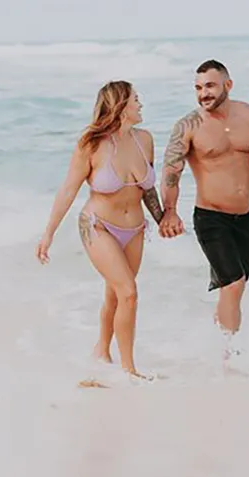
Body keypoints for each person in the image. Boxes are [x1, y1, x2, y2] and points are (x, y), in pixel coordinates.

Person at [158, 59, 249, 345]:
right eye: (198, 88)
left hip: (247, 218)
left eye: (210, 85)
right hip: (211, 217)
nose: (203, 93)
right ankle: (229, 357)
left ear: (228, 84)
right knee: (233, 284)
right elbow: (171, 170)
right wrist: (170, 212)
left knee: (234, 288)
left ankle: (216, 343)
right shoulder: (188, 125)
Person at [35, 80, 165, 379]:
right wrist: (48, 234)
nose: (140, 103)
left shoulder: (145, 140)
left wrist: (162, 220)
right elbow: (68, 190)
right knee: (129, 293)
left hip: (134, 229)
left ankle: (102, 350)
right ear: (120, 105)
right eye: (135, 99)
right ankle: (129, 370)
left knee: (115, 295)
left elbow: (148, 190)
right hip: (98, 226)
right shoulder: (91, 144)